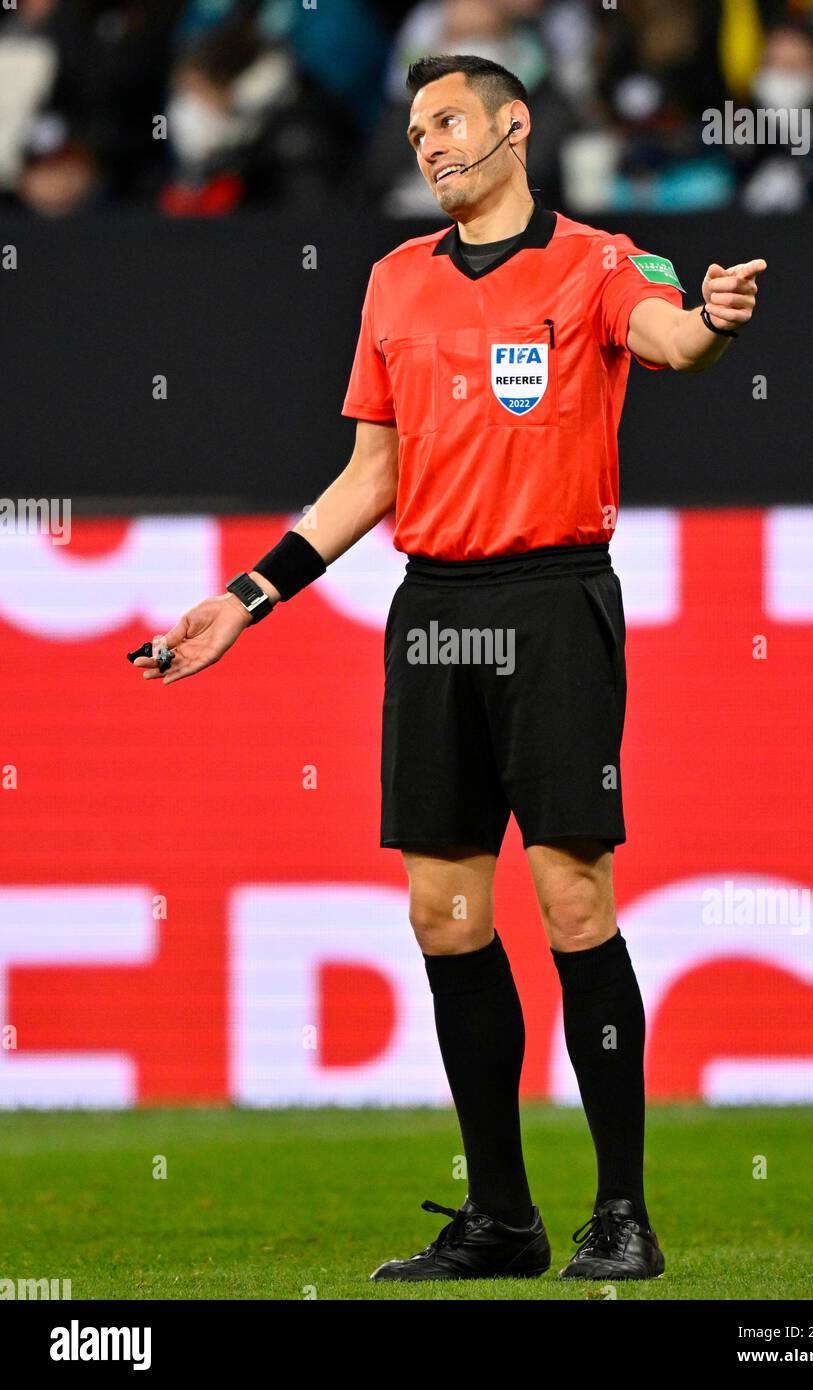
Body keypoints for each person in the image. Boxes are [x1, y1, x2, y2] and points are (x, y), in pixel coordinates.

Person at [132, 53, 765, 1282]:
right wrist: (242, 599)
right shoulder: (393, 282)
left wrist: (714, 320)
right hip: (434, 610)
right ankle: (502, 1218)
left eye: (450, 122)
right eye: (416, 128)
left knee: (574, 900)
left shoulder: (598, 259)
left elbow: (669, 338)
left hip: (552, 597)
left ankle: (622, 1213)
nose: (427, 145)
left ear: (513, 126)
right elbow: (374, 474)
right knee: (445, 913)